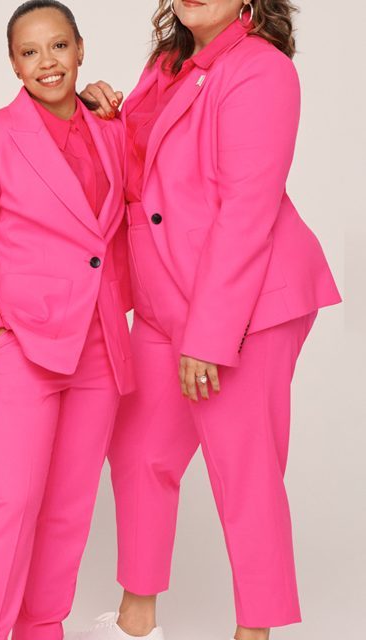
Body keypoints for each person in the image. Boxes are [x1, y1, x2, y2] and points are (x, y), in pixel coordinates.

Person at [71, 1, 341, 639]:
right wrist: (92, 111)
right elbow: (141, 171)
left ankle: (258, 629)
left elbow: (247, 209)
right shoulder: (168, 64)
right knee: (138, 450)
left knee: (242, 466)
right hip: (166, 296)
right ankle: (137, 618)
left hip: (244, 306)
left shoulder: (262, 70)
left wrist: (212, 335)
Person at [0, 2, 134, 638]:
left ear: (80, 49)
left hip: (100, 345)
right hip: (20, 347)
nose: (46, 63)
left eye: (58, 47)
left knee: (69, 510)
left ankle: (42, 628)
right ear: (14, 64)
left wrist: (121, 112)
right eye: (29, 52)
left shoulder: (112, 131)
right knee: (11, 505)